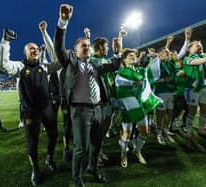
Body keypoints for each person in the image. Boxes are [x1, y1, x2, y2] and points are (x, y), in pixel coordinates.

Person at [54, 4, 121, 187]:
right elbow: (59, 48)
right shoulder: (70, 63)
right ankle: (77, 179)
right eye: (82, 46)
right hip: (80, 111)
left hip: (98, 109)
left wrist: (118, 50)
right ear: (75, 50)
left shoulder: (96, 65)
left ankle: (93, 169)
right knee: (80, 149)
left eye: (88, 46)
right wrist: (63, 23)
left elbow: (115, 64)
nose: (86, 48)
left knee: (97, 145)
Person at [0, 21, 61, 186]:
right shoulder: (20, 67)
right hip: (30, 112)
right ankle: (35, 169)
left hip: (47, 109)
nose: (35, 50)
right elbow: (2, 65)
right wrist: (5, 42)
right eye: (31, 48)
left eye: (36, 48)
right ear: (25, 53)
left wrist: (44, 34)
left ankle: (49, 158)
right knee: (32, 143)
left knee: (53, 135)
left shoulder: (45, 67)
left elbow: (58, 58)